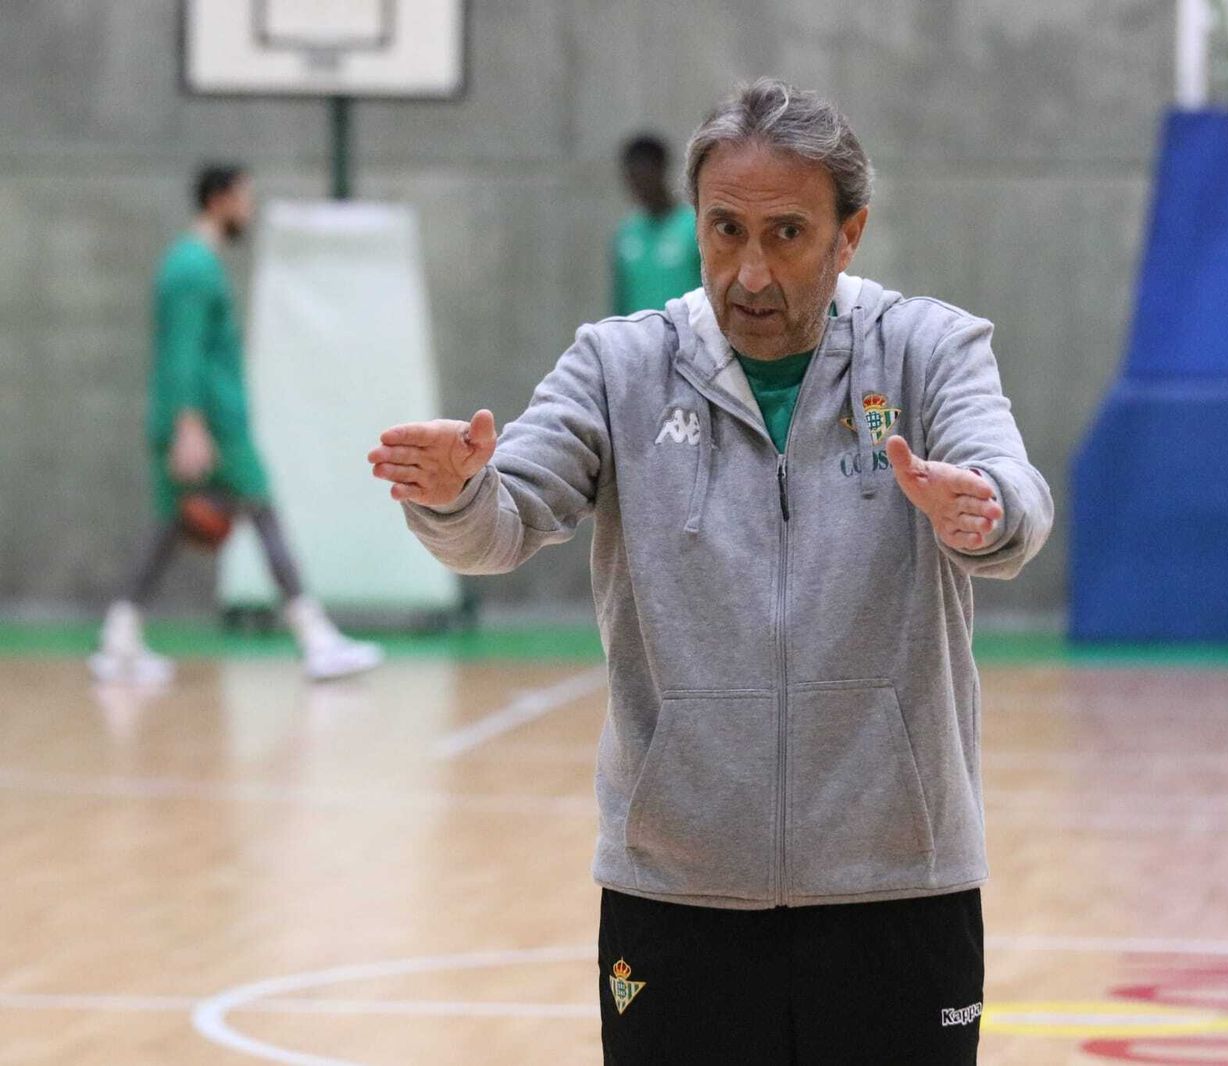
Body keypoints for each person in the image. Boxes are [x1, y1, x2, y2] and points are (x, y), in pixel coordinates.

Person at [369, 80, 1052, 1064]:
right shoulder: (616, 366)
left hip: (901, 886)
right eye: (725, 229)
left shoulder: (926, 350)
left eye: (786, 234)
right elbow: (506, 517)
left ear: (849, 234)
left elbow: (1008, 490)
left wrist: (980, 510)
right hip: (675, 896)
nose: (750, 271)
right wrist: (452, 494)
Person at [91, 164, 383, 685]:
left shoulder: (192, 264)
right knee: (263, 512)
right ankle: (315, 638)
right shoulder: (192, 269)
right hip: (212, 424)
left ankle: (119, 637)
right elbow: (181, 351)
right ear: (220, 200)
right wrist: (189, 424)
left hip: (202, 419)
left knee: (168, 527)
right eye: (245, 197)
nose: (249, 208)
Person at [611, 133, 701, 315]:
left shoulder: (694, 227)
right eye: (631, 176)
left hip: (688, 339)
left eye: (643, 175)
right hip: (637, 341)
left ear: (661, 169)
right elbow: (620, 301)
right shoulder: (626, 233)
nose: (638, 184)